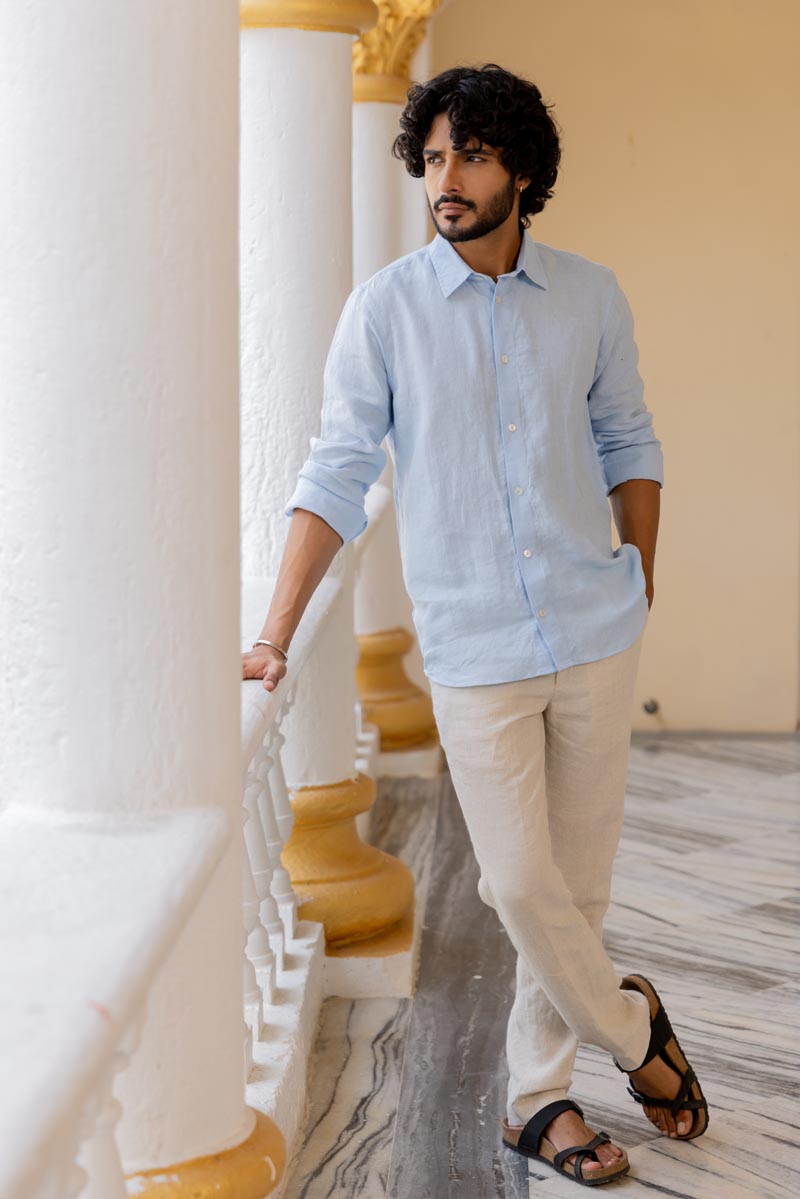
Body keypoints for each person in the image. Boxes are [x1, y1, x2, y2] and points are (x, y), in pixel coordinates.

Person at [242, 63, 707, 1186]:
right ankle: (636, 1030)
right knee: (514, 882)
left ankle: (537, 1102)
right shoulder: (384, 310)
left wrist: (635, 570)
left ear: (522, 172)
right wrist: (272, 629)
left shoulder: (588, 296)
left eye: (472, 156)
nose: (445, 178)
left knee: (576, 889)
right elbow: (337, 471)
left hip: (594, 630)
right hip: (473, 644)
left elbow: (628, 438)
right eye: (435, 155)